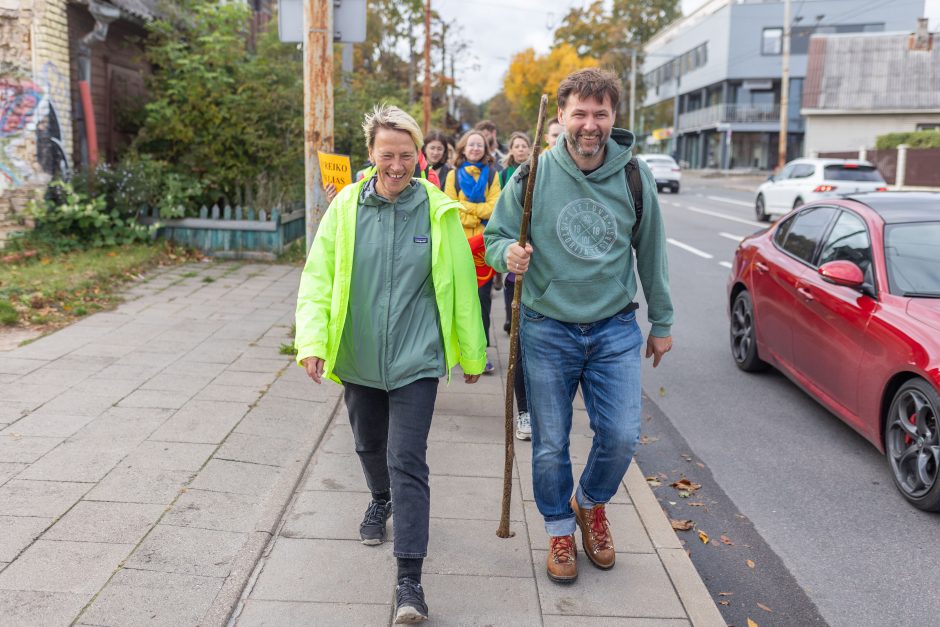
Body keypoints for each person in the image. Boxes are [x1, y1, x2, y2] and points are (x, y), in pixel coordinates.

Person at [295, 104, 486, 623]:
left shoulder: (439, 210)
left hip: (416, 358)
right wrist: (310, 342)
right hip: (357, 353)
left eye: (406, 155)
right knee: (367, 444)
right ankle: (379, 499)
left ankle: (409, 583)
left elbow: (462, 287)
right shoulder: (346, 209)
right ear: (372, 155)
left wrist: (472, 352)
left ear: (420, 155)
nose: (397, 165)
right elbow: (317, 278)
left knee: (409, 461)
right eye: (387, 155)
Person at [484, 68, 674, 584]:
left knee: (621, 435)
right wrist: (509, 254)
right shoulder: (534, 175)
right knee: (550, 443)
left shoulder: (634, 176)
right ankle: (559, 530)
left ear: (614, 118)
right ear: (562, 117)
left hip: (614, 329)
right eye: (580, 114)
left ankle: (590, 503)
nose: (590, 125)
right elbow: (495, 234)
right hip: (547, 329)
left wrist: (662, 320)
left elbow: (652, 251)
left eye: (601, 114)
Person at [444, 130, 502, 372]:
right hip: (458, 245)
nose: (476, 148)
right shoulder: (452, 175)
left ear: (485, 149)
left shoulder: (492, 175)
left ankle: (481, 352)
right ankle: (458, 347)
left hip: (482, 249)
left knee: (481, 302)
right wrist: (475, 211)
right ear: (463, 148)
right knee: (458, 300)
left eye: (480, 145)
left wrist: (466, 207)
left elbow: (494, 208)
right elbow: (449, 208)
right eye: (471, 145)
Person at [498, 131, 534, 441]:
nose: (521, 150)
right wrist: (506, 251)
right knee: (520, 347)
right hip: (520, 276)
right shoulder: (517, 177)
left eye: (526, 145)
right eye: (517, 146)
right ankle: (525, 411)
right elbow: (497, 230)